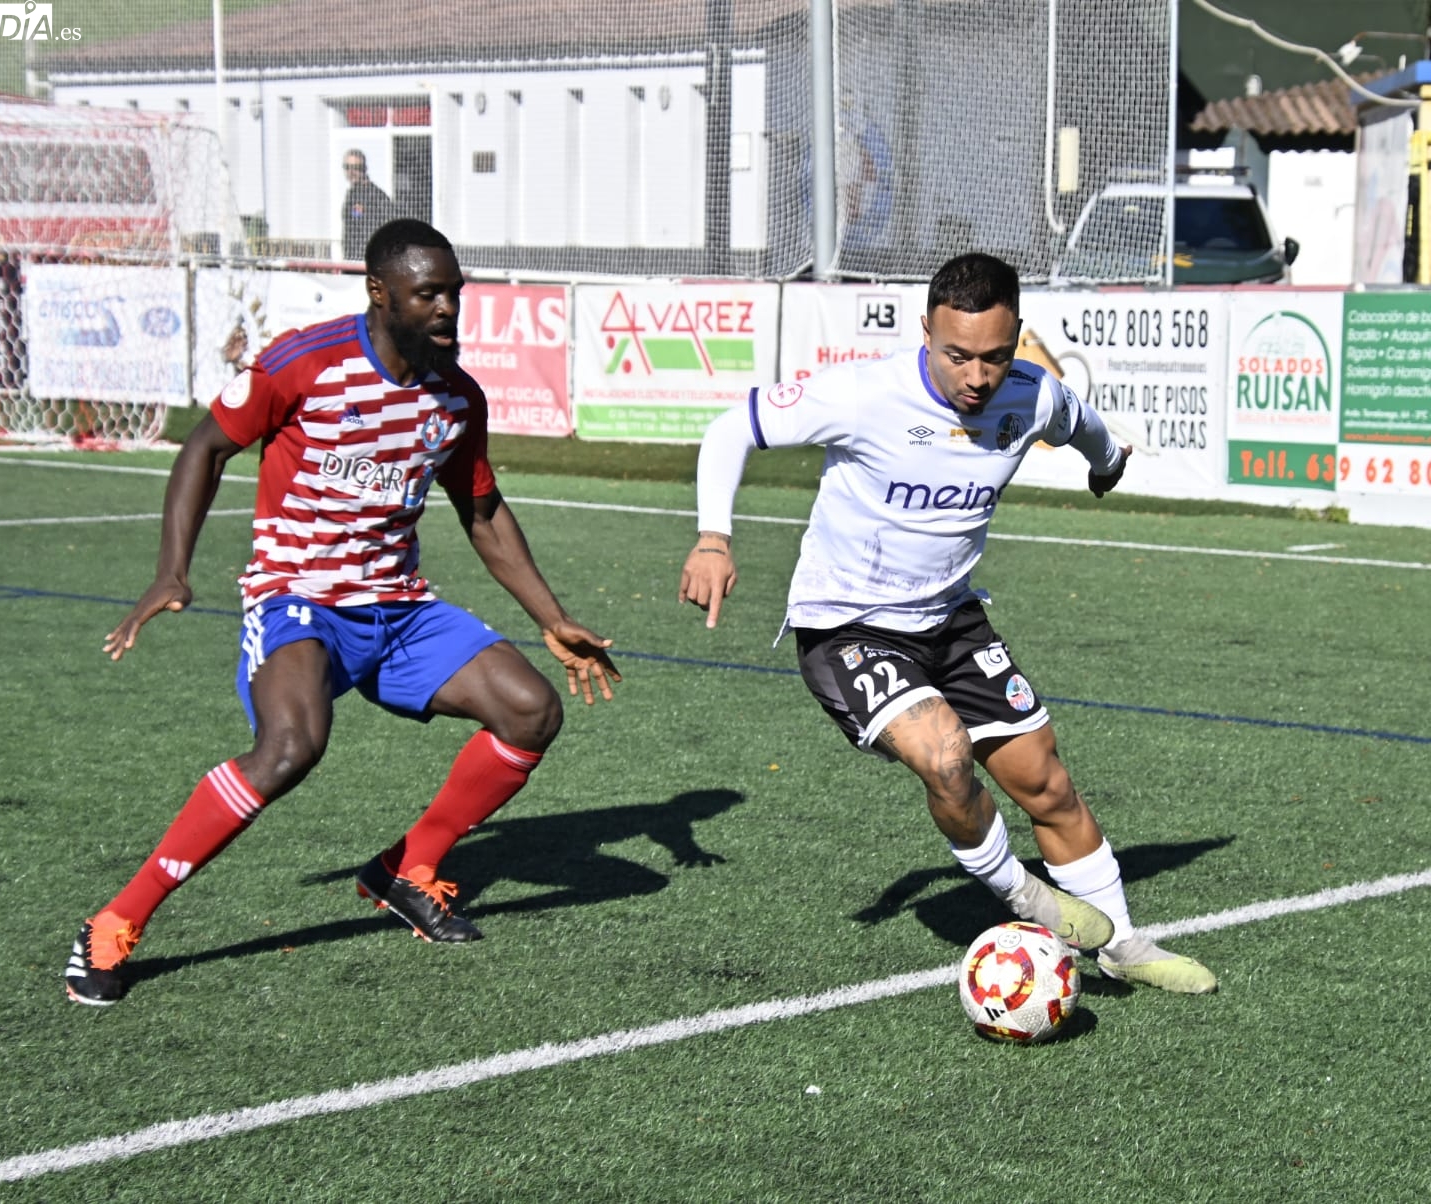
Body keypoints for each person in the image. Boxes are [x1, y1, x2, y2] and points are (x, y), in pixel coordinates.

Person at [65, 218, 621, 1006]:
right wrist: (171, 571)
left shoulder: (456, 397)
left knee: (531, 711)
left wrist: (550, 615)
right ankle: (116, 920)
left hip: (399, 609)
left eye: (453, 293)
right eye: (427, 292)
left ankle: (408, 868)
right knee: (291, 746)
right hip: (299, 598)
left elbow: (482, 508)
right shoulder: (305, 361)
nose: (445, 309)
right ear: (379, 291)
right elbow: (204, 450)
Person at [677, 252, 1216, 995]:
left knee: (1047, 784)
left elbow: (1091, 431)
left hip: (952, 621)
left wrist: (1105, 466)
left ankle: (1122, 942)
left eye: (994, 357)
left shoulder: (1031, 396)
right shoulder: (865, 395)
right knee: (944, 754)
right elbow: (728, 430)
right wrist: (713, 538)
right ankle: (1030, 901)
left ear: (1016, 340)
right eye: (958, 354)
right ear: (926, 330)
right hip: (848, 625)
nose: (976, 376)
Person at [340, 151, 396, 261]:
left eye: (356, 167)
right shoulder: (351, 194)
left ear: (364, 169)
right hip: (350, 258)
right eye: (347, 167)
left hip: (369, 260)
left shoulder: (376, 195)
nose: (351, 172)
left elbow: (390, 227)